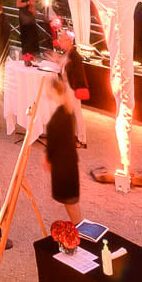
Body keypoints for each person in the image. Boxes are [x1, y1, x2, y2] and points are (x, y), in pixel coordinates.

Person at [41, 74, 84, 223]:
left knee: (70, 202)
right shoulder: (66, 109)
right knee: (70, 201)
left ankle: (78, 229)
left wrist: (47, 157)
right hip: (67, 163)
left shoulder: (61, 115)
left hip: (64, 165)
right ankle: (78, 226)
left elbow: (55, 141)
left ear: (54, 90)